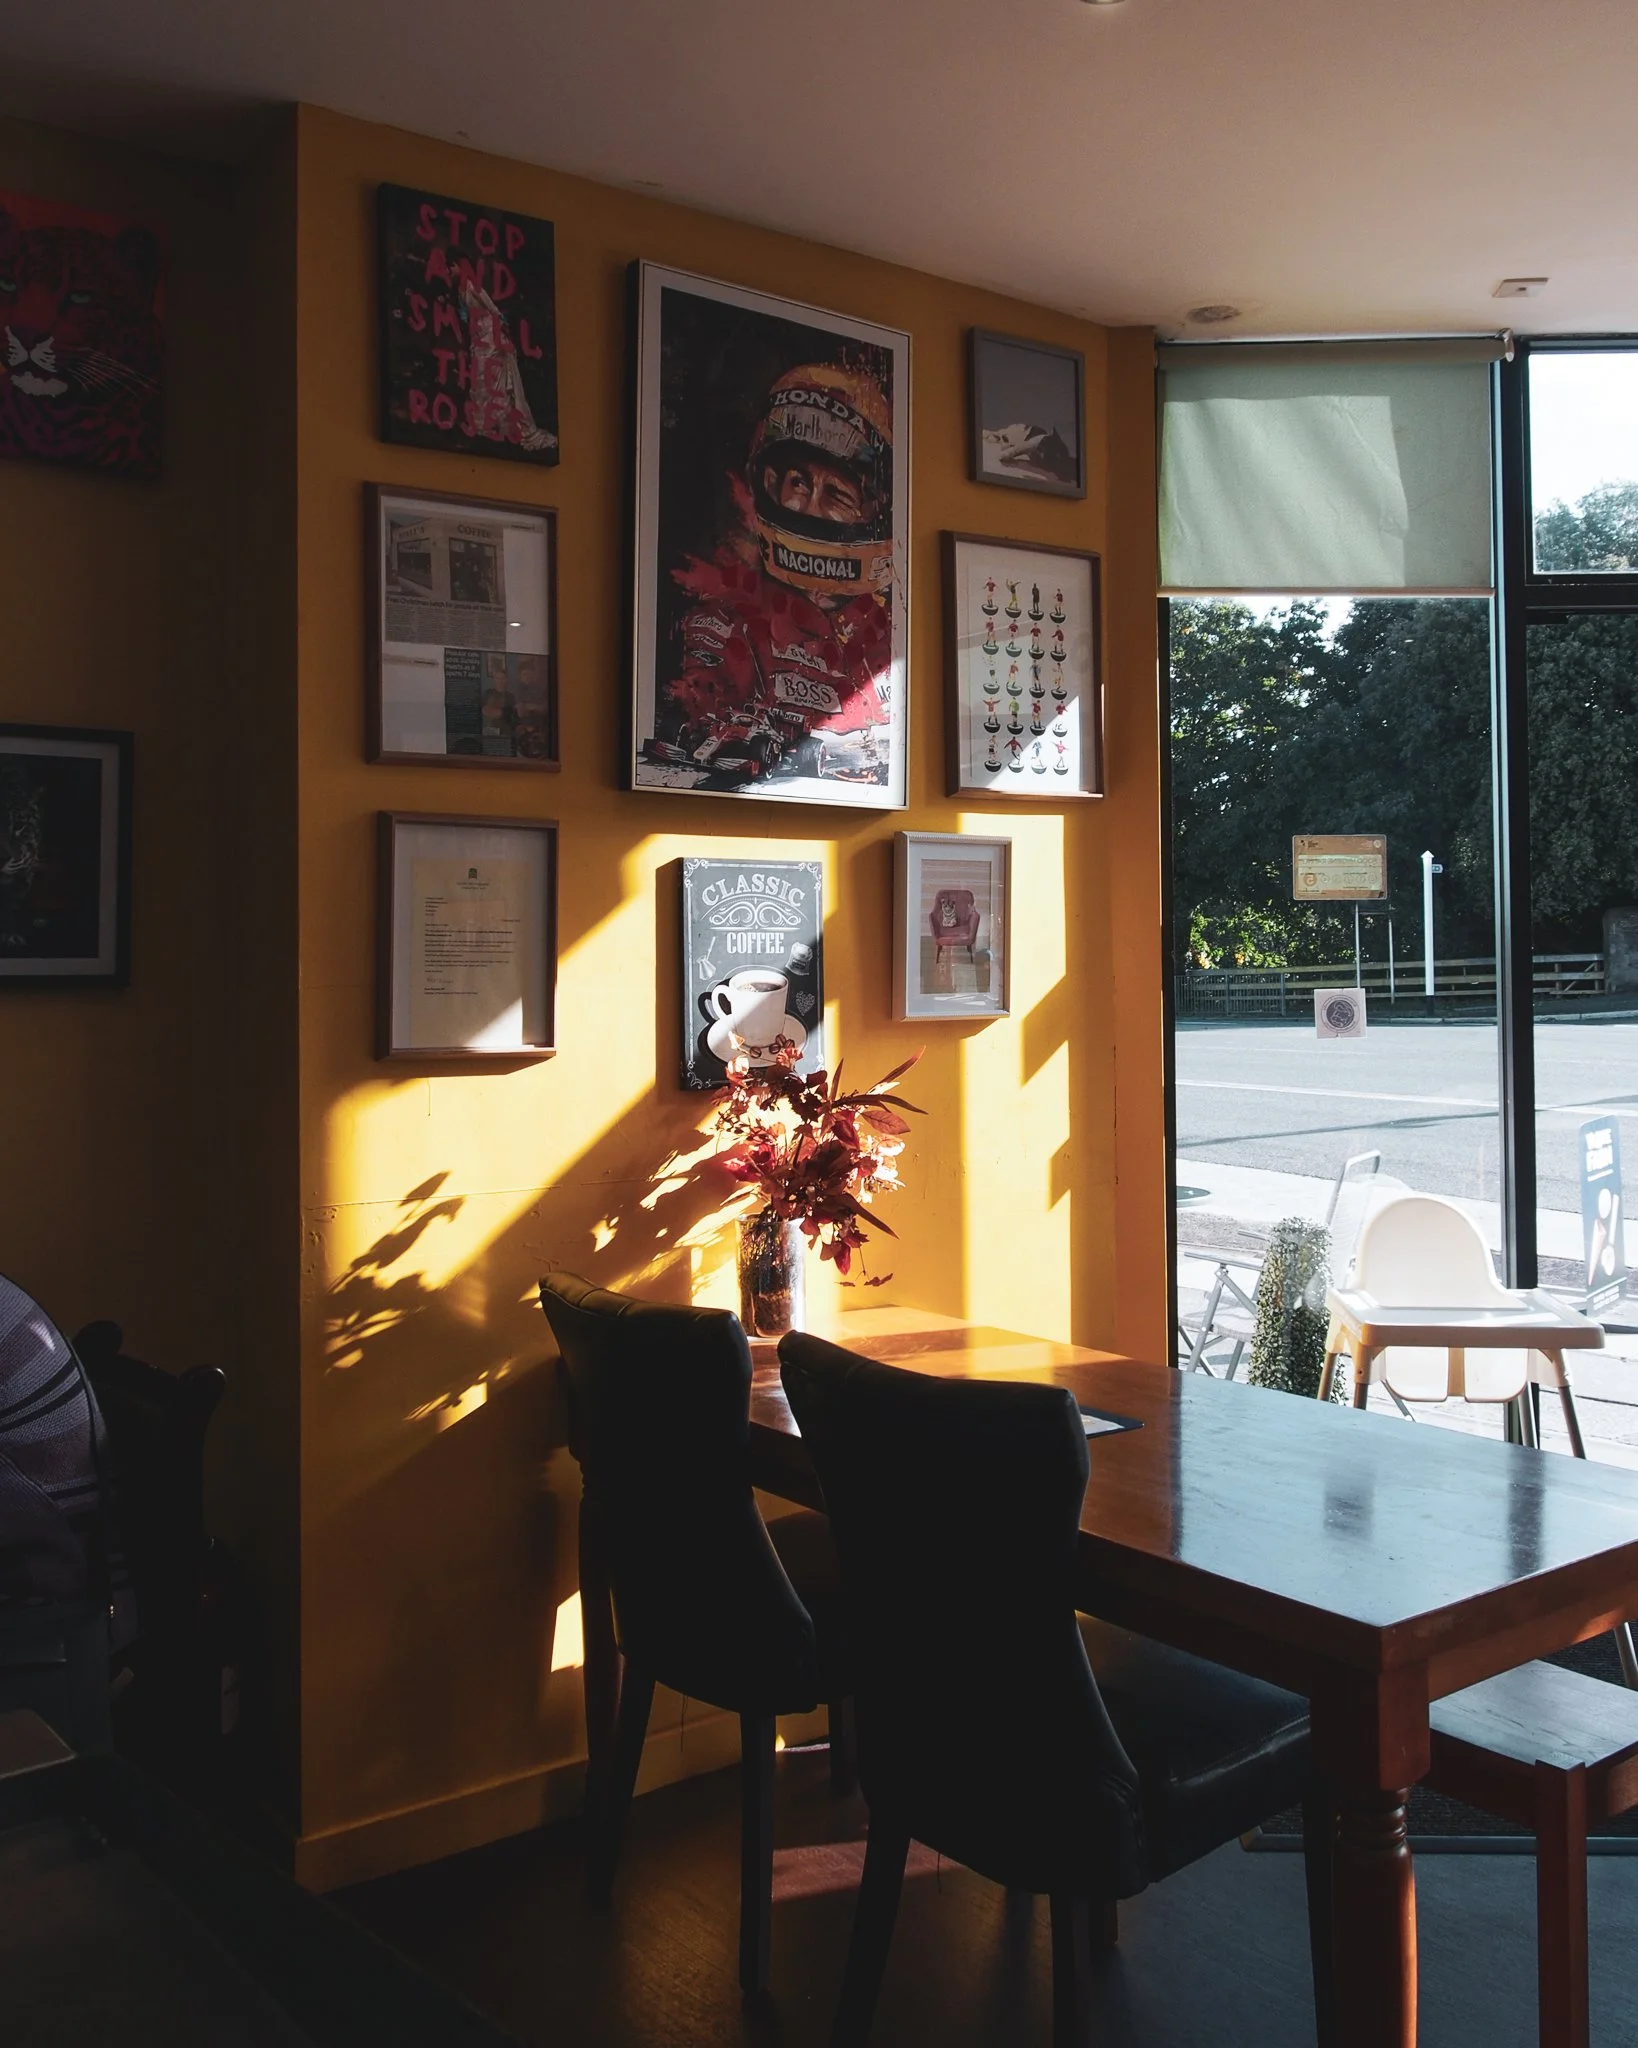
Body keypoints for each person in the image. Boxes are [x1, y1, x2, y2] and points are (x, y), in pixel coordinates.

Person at [647, 361, 895, 788]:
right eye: (797, 483)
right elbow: (695, 713)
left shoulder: (892, 635)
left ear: (874, 510)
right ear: (768, 483)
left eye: (836, 493)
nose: (810, 505)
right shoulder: (728, 621)